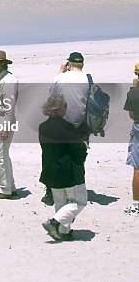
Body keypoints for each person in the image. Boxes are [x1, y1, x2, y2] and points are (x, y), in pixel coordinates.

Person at [42, 52, 92, 206]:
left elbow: (51, 96)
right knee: (78, 158)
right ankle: (77, 191)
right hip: (80, 125)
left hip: (60, 124)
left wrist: (60, 71)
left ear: (69, 64)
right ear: (82, 64)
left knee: (52, 157)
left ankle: (51, 193)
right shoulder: (88, 79)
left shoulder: (60, 78)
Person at [39, 94, 88, 241]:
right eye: (65, 106)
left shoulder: (43, 127)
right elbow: (76, 149)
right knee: (79, 202)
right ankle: (54, 222)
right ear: (60, 109)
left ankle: (63, 231)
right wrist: (84, 147)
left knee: (61, 203)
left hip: (50, 169)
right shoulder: (67, 127)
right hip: (68, 171)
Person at [0, 50, 19, 199]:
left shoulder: (8, 80)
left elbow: (9, 107)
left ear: (2, 63)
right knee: (3, 155)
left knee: (1, 156)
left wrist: (5, 128)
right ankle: (10, 186)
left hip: (3, 120)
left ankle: (5, 190)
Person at [122, 62, 139, 215]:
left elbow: (132, 115)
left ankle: (136, 205)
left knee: (137, 168)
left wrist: (134, 88)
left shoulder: (133, 93)